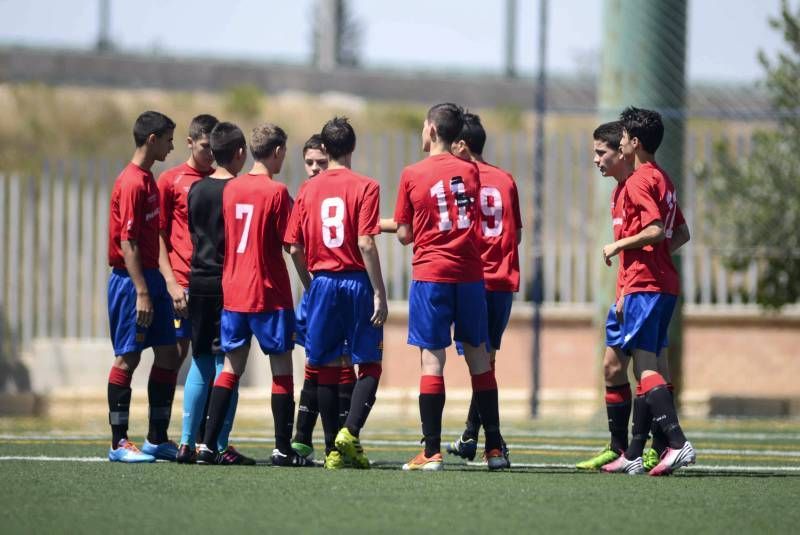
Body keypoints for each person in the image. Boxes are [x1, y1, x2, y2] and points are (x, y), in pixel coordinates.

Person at [393, 103, 507, 471]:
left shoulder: (412, 173)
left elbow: (405, 234)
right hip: (471, 276)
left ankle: (431, 451)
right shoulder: (471, 171)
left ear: (430, 130)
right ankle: (494, 449)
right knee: (479, 358)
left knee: (431, 360)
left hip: (431, 274)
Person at [197, 123, 309, 467]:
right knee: (282, 371)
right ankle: (281, 448)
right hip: (268, 293)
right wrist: (310, 282)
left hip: (234, 292)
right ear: (276, 152)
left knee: (230, 368)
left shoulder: (231, 188)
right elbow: (291, 243)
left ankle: (207, 445)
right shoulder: (276, 193)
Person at [285, 117, 387, 470]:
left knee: (324, 365)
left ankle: (331, 450)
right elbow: (365, 242)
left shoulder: (307, 189)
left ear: (324, 150)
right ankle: (351, 432)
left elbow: (294, 247)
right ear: (353, 148)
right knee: (370, 363)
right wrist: (379, 291)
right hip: (356, 281)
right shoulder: (366, 186)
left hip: (323, 282)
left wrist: (311, 284)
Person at [600, 107, 695, 476]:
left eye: (622, 137)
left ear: (634, 142)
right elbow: (680, 233)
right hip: (661, 283)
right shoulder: (663, 178)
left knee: (645, 367)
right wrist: (654, 256)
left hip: (646, 284)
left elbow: (656, 229)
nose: (620, 142)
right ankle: (636, 451)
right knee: (650, 366)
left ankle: (677, 442)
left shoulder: (640, 181)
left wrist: (619, 246)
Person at [444, 113, 522, 465]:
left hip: (474, 280)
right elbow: (516, 233)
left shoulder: (462, 180)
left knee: (480, 363)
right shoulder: (505, 180)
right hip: (503, 279)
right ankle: (471, 437)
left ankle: (493, 440)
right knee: (486, 362)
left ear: (462, 145)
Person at [106, 110, 181, 462]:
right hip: (131, 282)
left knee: (168, 353)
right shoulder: (133, 182)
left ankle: (156, 438)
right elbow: (128, 243)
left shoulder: (149, 178)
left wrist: (163, 280)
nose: (171, 145)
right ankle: (118, 442)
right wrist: (142, 291)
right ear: (152, 140)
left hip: (152, 278)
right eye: (168, 139)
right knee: (128, 357)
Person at [178, 122, 254, 465]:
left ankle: (185, 442)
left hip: (198, 281)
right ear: (239, 154)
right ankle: (219, 444)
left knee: (200, 360)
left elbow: (194, 233)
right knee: (229, 364)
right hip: (229, 283)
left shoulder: (196, 189)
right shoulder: (240, 191)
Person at [290, 134, 336, 462]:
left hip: (326, 287)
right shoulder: (305, 192)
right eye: (309, 163)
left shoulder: (321, 190)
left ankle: (326, 439)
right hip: (322, 289)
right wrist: (309, 284)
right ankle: (305, 438)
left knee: (329, 363)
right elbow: (295, 246)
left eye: (321, 162)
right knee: (320, 363)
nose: (315, 168)